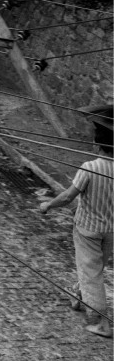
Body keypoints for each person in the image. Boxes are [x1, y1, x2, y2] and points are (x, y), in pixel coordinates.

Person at [40, 138, 113, 338]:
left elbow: (67, 197)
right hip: (110, 232)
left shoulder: (89, 167)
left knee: (91, 274)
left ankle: (101, 323)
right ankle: (79, 295)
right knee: (94, 270)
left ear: (97, 145)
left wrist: (48, 205)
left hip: (88, 230)